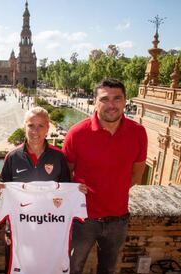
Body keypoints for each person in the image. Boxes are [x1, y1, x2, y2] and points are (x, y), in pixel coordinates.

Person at [63, 78, 148, 274]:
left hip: (118, 219)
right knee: (71, 268)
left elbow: (136, 175)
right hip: (82, 219)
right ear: (95, 102)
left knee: (108, 269)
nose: (111, 105)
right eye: (105, 99)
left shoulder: (138, 133)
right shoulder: (76, 133)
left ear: (125, 101)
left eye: (117, 98)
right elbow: (67, 174)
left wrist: (113, 191)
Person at [0, 106, 86, 272]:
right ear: (24, 126)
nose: (35, 131)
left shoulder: (59, 157)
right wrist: (9, 230)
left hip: (49, 230)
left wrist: (77, 191)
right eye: (31, 125)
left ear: (48, 128)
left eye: (40, 126)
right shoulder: (12, 157)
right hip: (20, 231)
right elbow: (5, 196)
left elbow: (65, 194)